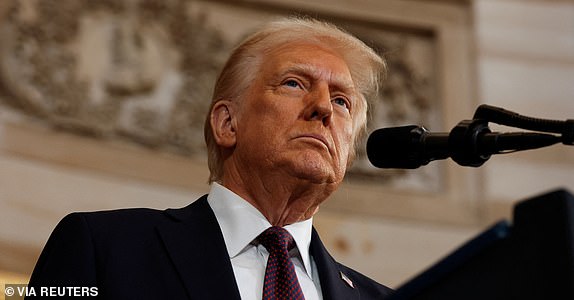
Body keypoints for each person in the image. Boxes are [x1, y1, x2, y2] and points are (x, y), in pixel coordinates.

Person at [27, 17, 393, 299]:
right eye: (294, 83)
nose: (323, 108)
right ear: (226, 123)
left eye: (342, 101)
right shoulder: (105, 248)